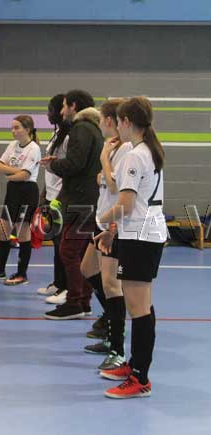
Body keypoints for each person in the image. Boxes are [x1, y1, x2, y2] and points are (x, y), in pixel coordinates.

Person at [95, 96, 165, 399]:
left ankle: (140, 378)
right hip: (142, 233)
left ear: (125, 122)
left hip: (140, 235)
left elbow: (125, 204)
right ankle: (135, 365)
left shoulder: (136, 155)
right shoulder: (149, 150)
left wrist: (103, 218)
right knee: (142, 306)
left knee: (139, 309)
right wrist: (113, 232)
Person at [41, 90, 104, 320]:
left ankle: (75, 302)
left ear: (74, 106)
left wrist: (53, 165)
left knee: (68, 251)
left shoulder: (81, 128)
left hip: (80, 201)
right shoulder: (93, 129)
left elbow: (75, 164)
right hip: (87, 200)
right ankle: (83, 302)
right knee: (84, 254)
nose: (61, 111)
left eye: (64, 106)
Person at [79, 98, 132, 362]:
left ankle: (115, 341)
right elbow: (105, 180)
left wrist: (103, 160)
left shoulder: (124, 149)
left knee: (112, 283)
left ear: (110, 121)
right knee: (88, 269)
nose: (99, 123)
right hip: (102, 219)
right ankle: (111, 317)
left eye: (100, 119)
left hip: (114, 223)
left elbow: (114, 185)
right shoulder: (112, 147)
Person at [0, 116, 41, 286]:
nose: (13, 131)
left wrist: (11, 174)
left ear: (27, 129)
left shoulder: (34, 148)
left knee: (22, 232)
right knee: (3, 231)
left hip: (27, 192)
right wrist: (16, 171)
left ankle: (22, 274)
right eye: (12, 127)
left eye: (17, 127)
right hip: (13, 191)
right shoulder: (13, 145)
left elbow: (25, 176)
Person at [37, 94, 69, 304]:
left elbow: (69, 168)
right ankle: (58, 283)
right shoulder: (56, 134)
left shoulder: (68, 137)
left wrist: (59, 198)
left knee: (64, 246)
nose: (48, 114)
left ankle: (67, 287)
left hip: (61, 198)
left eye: (50, 110)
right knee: (56, 244)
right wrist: (45, 197)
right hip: (50, 195)